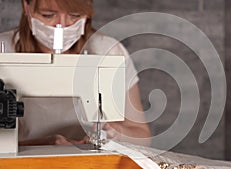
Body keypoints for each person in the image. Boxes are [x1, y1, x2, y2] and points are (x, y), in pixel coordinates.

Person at [0, 0, 151, 146]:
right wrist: (37, 145)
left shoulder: (108, 52)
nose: (62, 25)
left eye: (74, 15)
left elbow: (143, 136)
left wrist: (116, 133)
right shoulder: (4, 51)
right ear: (26, 6)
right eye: (48, 15)